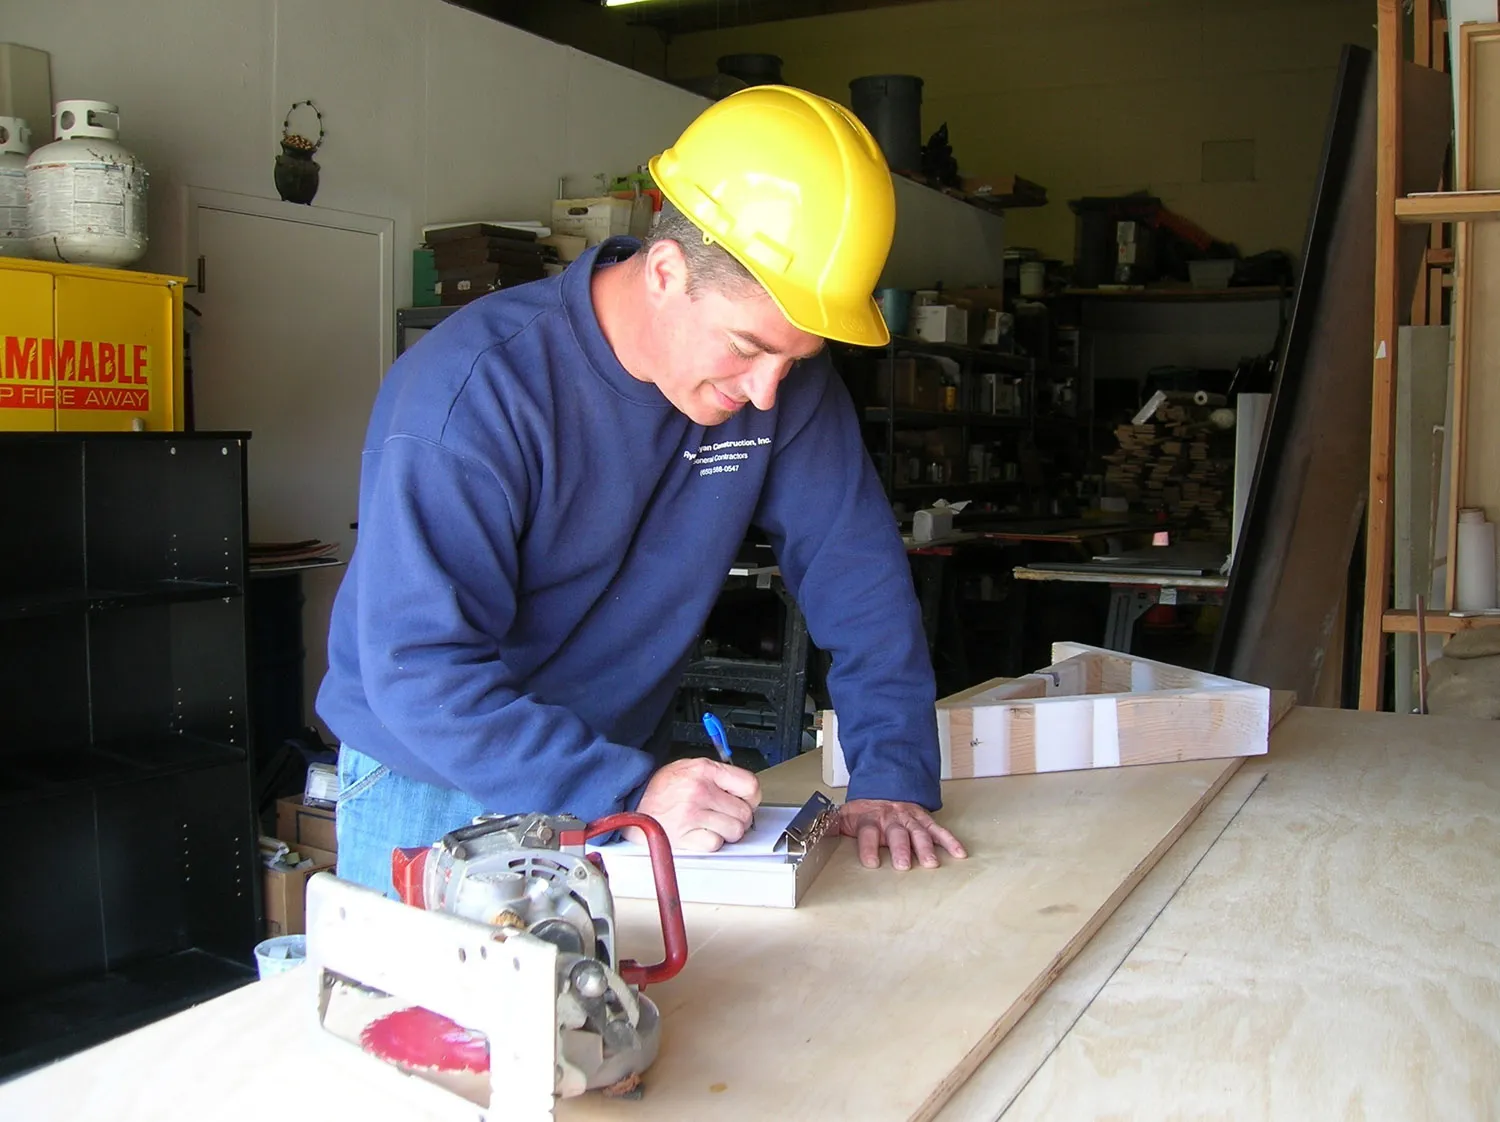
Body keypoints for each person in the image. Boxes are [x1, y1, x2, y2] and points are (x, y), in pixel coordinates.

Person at [315, 84, 967, 896]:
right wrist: (628, 793)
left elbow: (857, 573)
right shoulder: (473, 393)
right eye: (745, 348)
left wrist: (892, 773)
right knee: (419, 1018)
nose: (768, 391)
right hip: (436, 776)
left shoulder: (783, 379)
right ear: (664, 271)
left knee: (609, 1017)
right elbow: (417, 668)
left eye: (794, 360)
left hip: (610, 770)